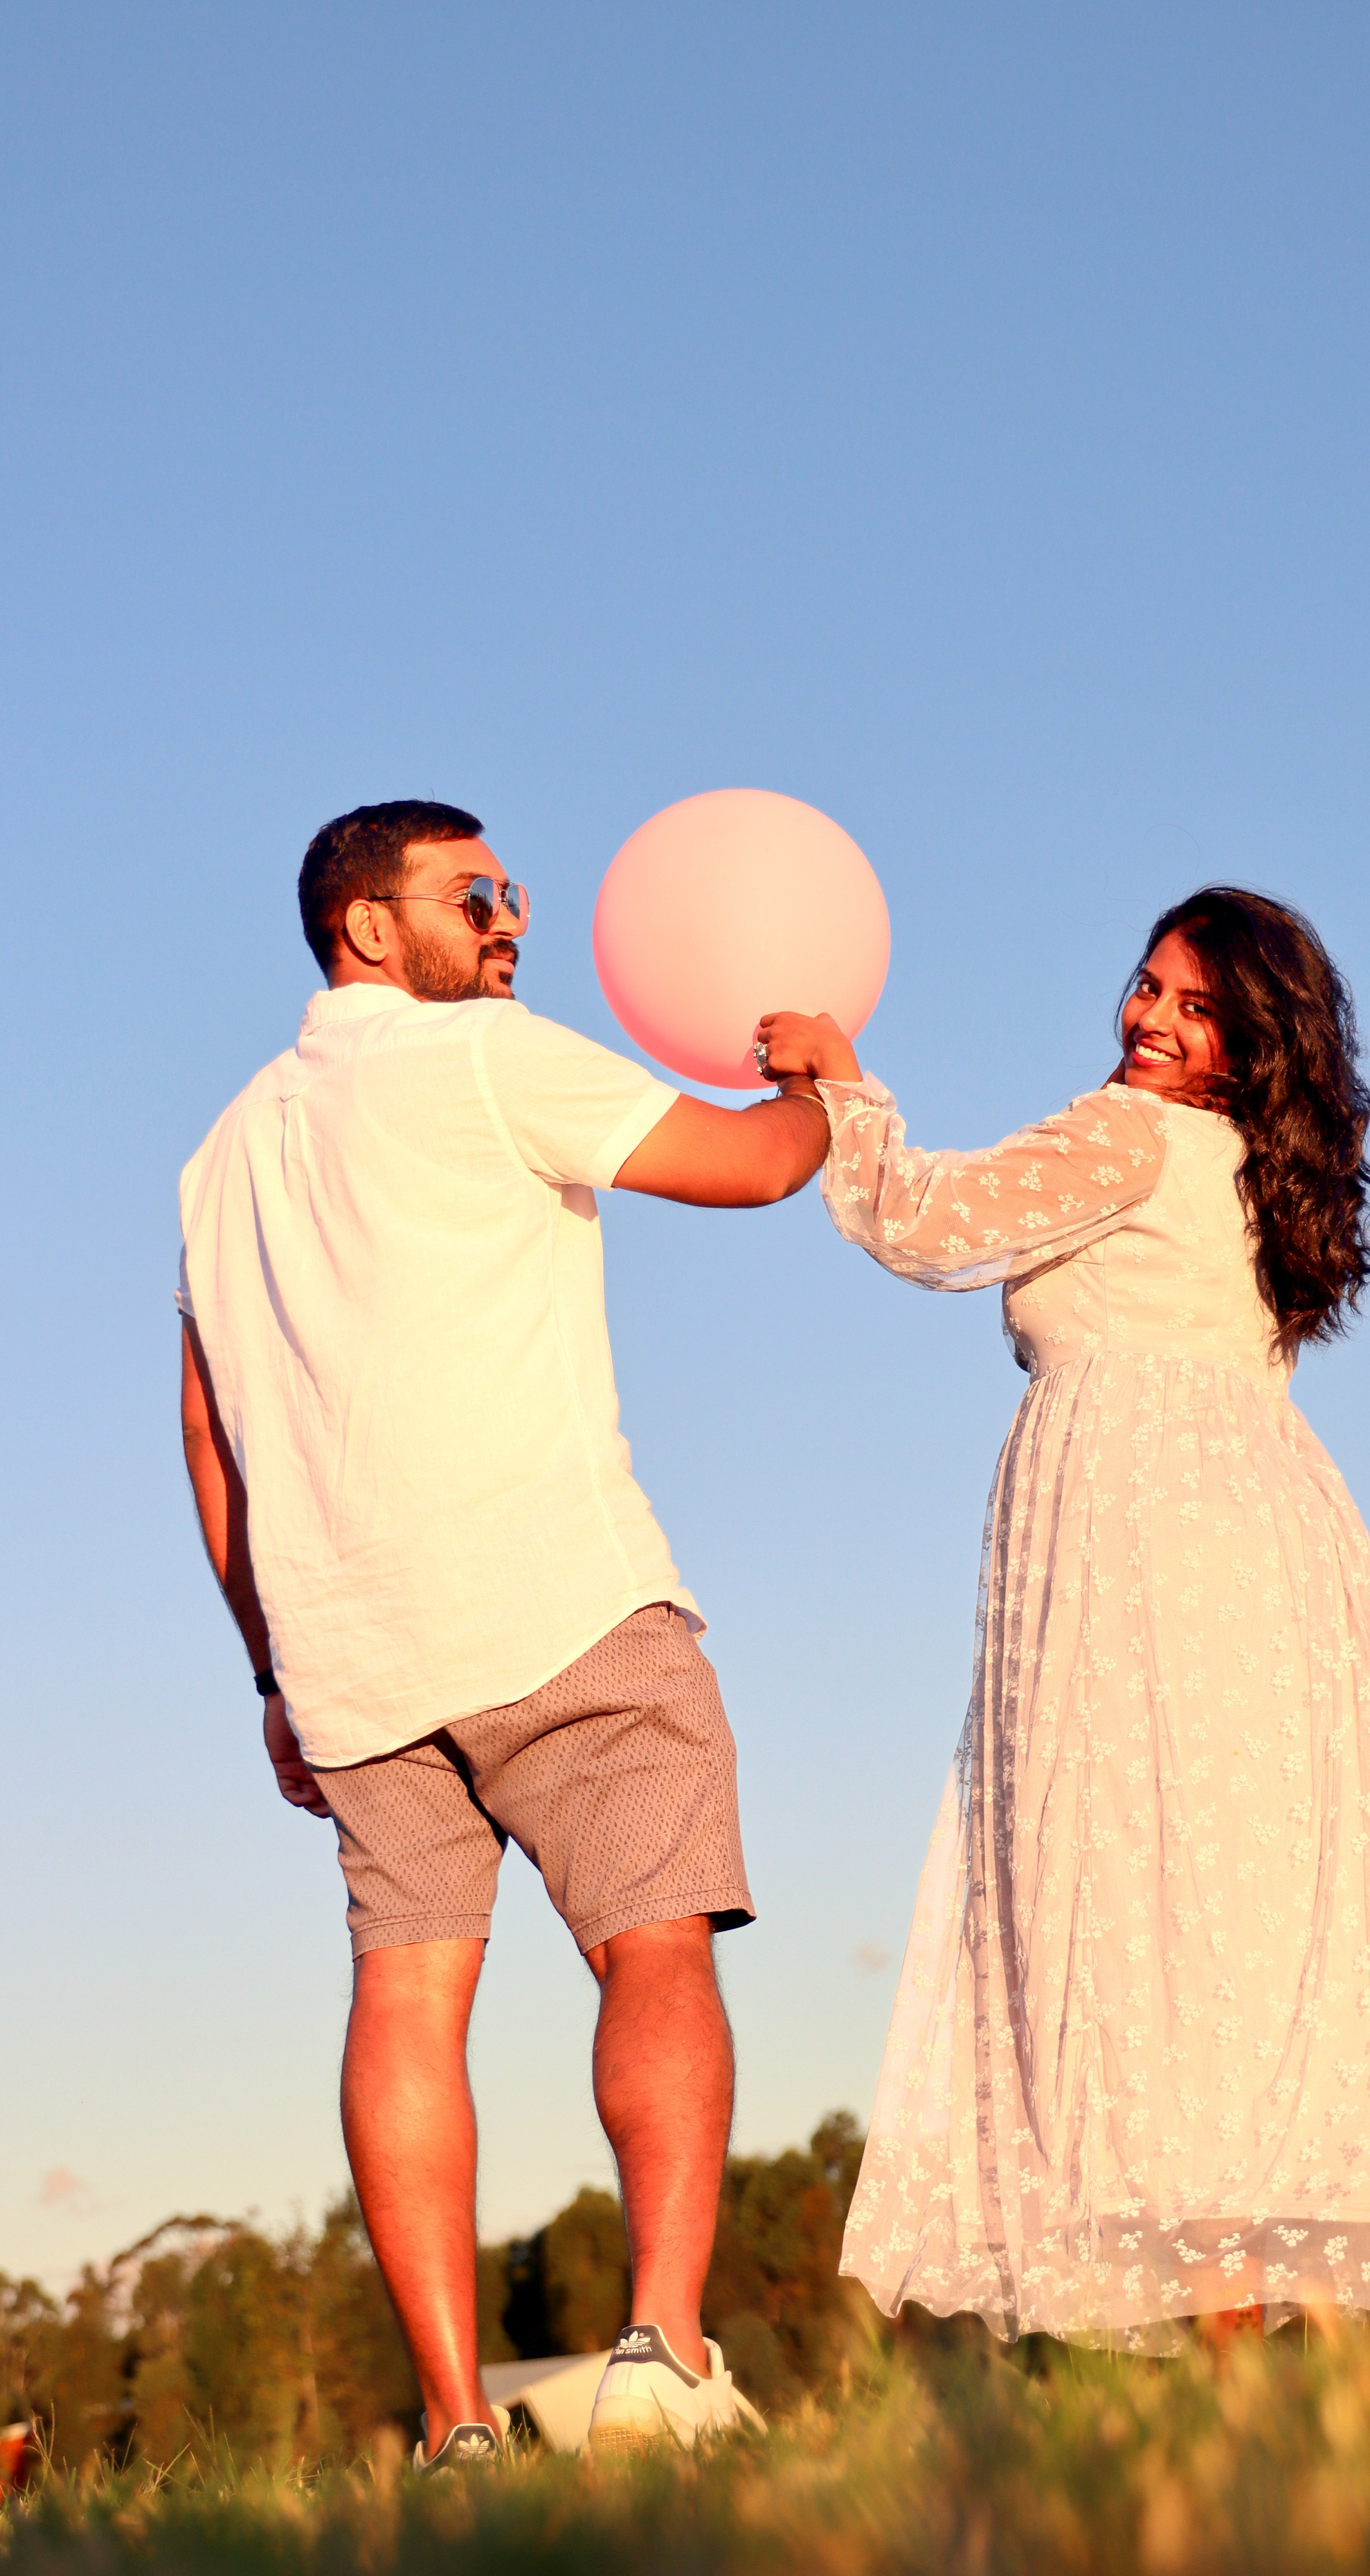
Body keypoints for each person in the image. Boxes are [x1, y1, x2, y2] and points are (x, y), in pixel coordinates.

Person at [178, 799, 827, 2460]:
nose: (512, 919)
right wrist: (825, 1073)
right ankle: (663, 2360)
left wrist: (272, 1668)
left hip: (348, 1659)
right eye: (476, 894)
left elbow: (206, 1432)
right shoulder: (484, 1057)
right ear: (370, 931)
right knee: (653, 1939)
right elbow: (752, 1166)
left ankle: (459, 2426)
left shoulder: (221, 1155)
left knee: (405, 1999)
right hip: (555, 1598)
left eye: (514, 890)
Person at [757, 887, 1370, 2346]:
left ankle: (1229, 2337)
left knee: (1139, 1897)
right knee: (1226, 1910)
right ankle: (1261, 2326)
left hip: (1139, 1530)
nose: (1147, 1021)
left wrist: (841, 1079)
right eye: (1146, 987)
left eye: (1193, 1006)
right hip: (1268, 1529)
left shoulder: (1126, 1135)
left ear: (1251, 1043)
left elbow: (925, 1221)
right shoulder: (1250, 1172)